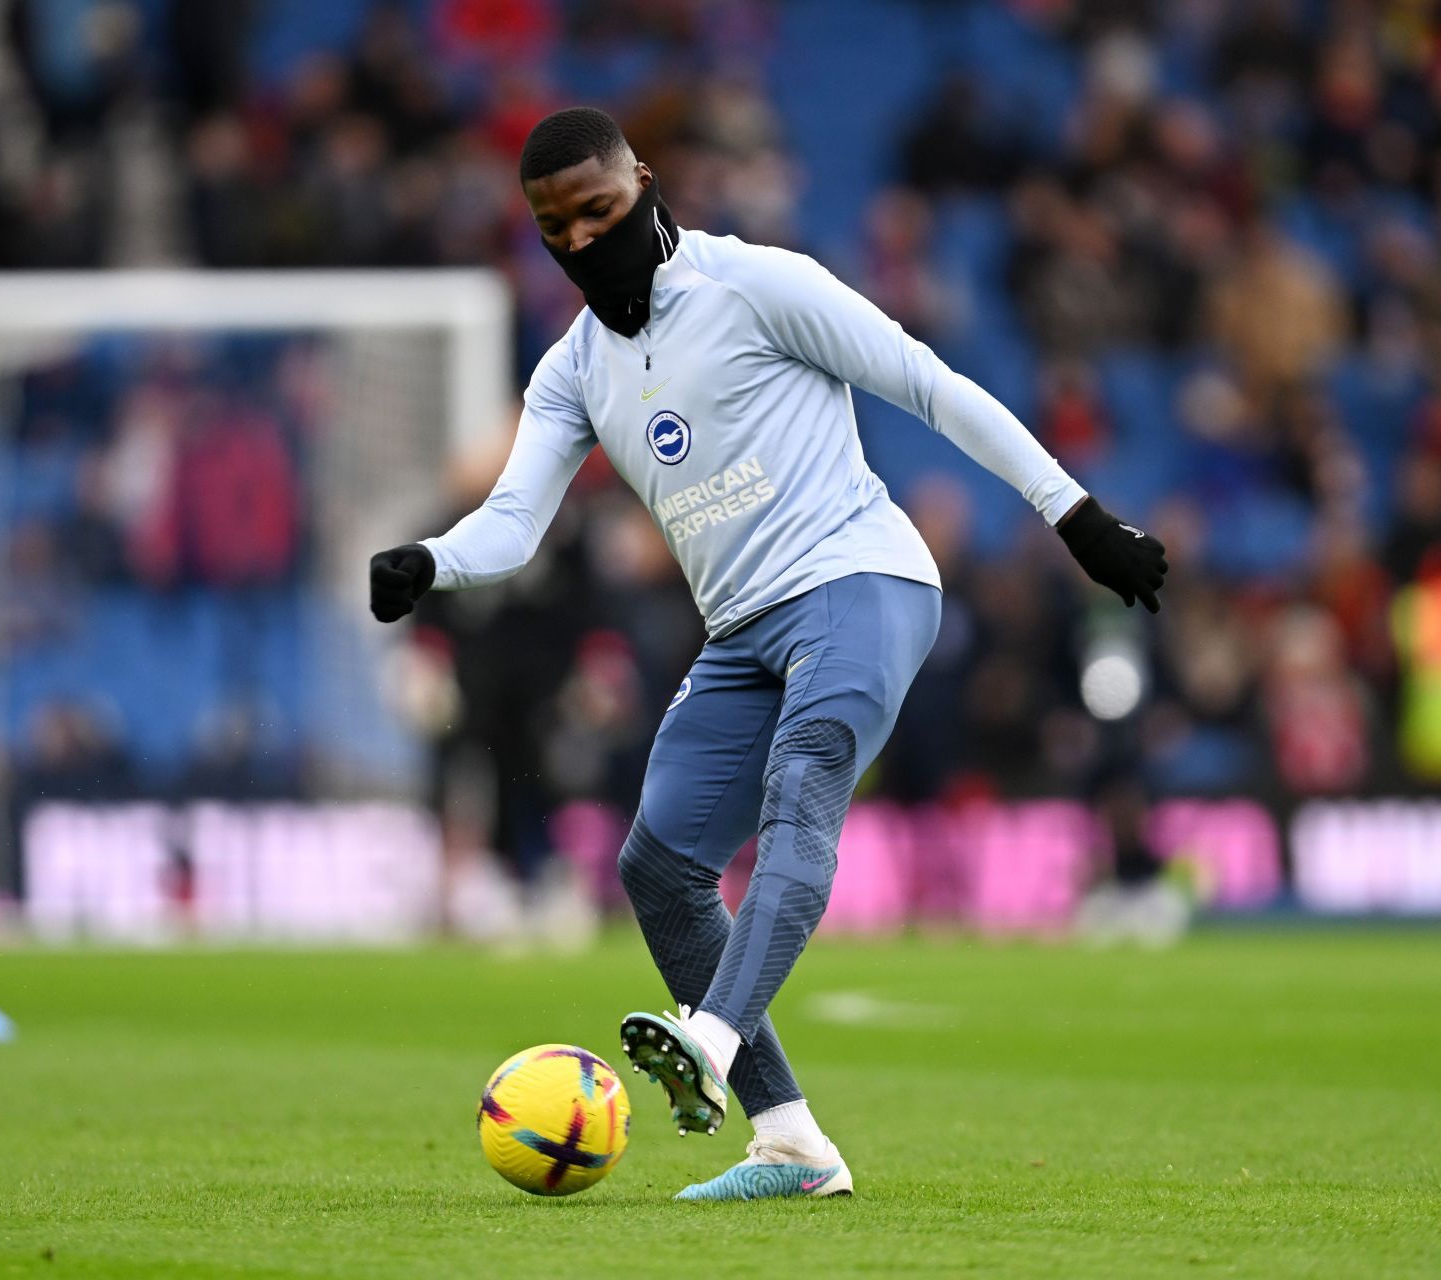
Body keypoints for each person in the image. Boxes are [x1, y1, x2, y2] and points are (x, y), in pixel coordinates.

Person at [368, 108, 1167, 1200]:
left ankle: (711, 1038)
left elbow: (926, 382)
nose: (583, 240)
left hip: (861, 580)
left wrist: (1076, 516)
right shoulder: (574, 370)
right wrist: (432, 560)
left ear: (643, 183)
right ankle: (792, 1141)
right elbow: (513, 517)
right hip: (743, 629)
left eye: (600, 211)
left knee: (803, 788)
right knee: (657, 865)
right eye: (557, 228)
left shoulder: (756, 285)